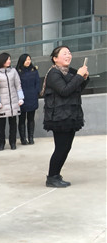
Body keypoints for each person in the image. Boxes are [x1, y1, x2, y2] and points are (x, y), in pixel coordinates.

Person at [41, 46, 89, 188]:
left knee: (66, 147)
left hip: (70, 114)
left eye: (69, 53)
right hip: (59, 117)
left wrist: (83, 78)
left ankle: (56, 175)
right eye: (64, 53)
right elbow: (64, 91)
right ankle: (52, 177)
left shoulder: (70, 71)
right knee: (61, 148)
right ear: (55, 59)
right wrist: (79, 76)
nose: (68, 55)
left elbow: (77, 89)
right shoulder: (54, 73)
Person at [0, 52, 23, 150]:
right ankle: (1, 143)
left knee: (13, 124)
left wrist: (20, 98)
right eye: (7, 59)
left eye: (9, 59)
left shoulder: (13, 71)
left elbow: (18, 85)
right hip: (2, 102)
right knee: (1, 125)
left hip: (13, 101)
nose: (9, 61)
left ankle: (12, 143)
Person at [16, 53, 40, 145]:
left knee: (31, 118)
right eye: (26, 60)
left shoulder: (34, 70)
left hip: (32, 97)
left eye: (29, 59)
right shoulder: (17, 71)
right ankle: (23, 139)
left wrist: (36, 92)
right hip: (21, 97)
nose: (28, 61)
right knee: (22, 119)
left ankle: (31, 137)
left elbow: (37, 82)